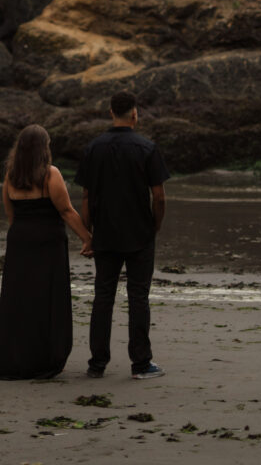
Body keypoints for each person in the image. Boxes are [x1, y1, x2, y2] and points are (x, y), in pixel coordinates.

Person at [75, 90, 170, 380]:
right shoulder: (147, 148)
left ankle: (97, 363)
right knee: (138, 297)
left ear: (110, 113)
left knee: (103, 296)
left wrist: (87, 234)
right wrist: (155, 225)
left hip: (104, 233)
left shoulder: (94, 148)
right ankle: (140, 363)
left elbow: (86, 196)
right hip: (139, 233)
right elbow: (159, 196)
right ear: (135, 114)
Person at [0, 124, 92, 380]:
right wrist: (88, 239)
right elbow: (66, 211)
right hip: (47, 242)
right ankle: (45, 359)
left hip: (20, 241)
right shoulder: (50, 174)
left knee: (19, 301)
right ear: (43, 149)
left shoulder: (10, 175)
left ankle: (14, 361)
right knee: (47, 300)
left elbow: (10, 215)